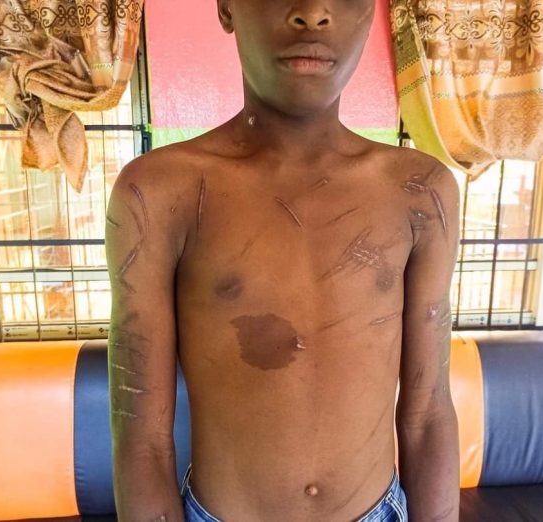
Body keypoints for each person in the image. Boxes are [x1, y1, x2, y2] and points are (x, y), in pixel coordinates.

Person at [106, 1, 461, 520]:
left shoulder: (421, 192)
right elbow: (143, 437)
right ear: (227, 7)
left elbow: (427, 414)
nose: (313, 13)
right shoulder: (158, 193)